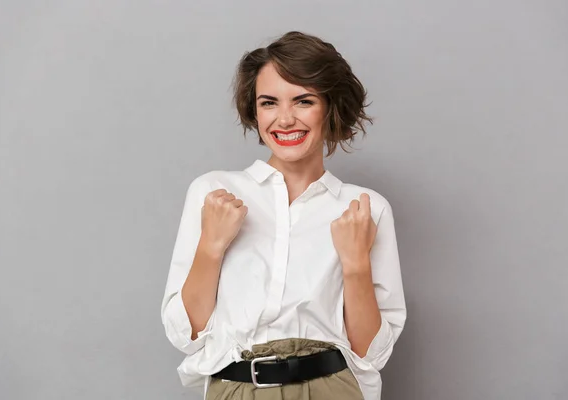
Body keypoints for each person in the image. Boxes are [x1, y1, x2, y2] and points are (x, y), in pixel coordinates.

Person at [160, 31, 406, 400]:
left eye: (303, 101)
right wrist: (211, 246)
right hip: (238, 387)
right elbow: (185, 334)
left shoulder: (365, 209)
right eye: (269, 103)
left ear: (330, 107)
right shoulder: (213, 193)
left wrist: (355, 264)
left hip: (331, 388)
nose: (285, 119)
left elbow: (371, 352)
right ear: (254, 110)